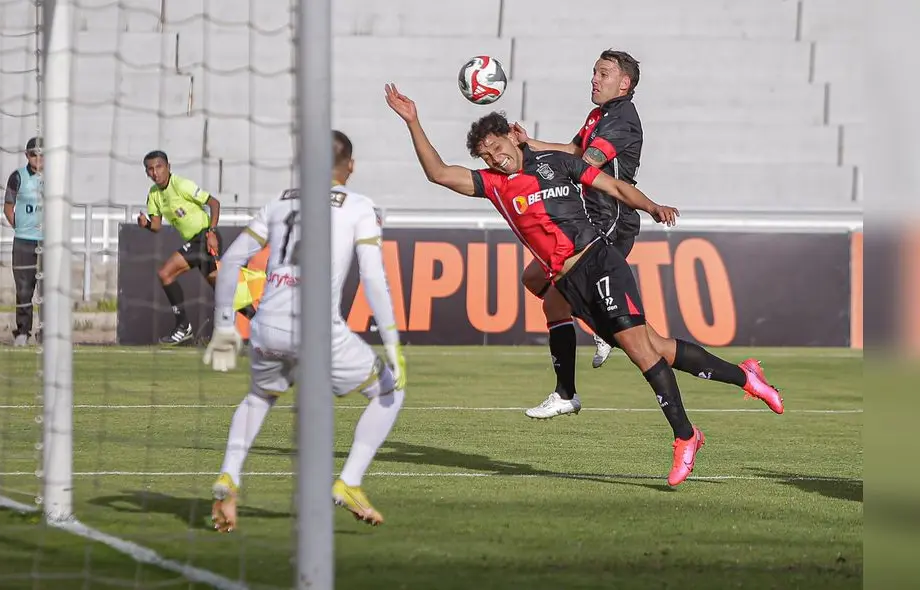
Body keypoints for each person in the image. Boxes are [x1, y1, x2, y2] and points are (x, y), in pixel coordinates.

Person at [385, 84, 784, 486]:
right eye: (485, 155)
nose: (494, 157)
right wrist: (413, 121)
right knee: (657, 347)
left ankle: (685, 436)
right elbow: (438, 173)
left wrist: (652, 206)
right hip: (570, 282)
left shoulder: (556, 163)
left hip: (599, 260)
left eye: (496, 147)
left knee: (641, 352)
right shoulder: (492, 185)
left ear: (511, 136)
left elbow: (614, 186)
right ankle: (746, 377)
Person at [202, 131, 407, 529]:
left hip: (266, 326)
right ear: (350, 165)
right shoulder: (359, 207)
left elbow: (230, 261)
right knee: (389, 390)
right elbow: (373, 279)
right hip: (317, 330)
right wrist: (393, 343)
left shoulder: (280, 201)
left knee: (260, 396)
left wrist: (225, 326)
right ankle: (349, 482)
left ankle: (229, 475)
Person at [512, 49, 645, 419]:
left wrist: (533, 164)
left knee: (556, 301)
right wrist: (530, 144)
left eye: (603, 73)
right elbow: (573, 149)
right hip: (589, 217)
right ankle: (600, 327)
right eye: (594, 72)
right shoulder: (599, 115)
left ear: (624, 83)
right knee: (533, 278)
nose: (594, 79)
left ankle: (566, 391)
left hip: (611, 220)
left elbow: (587, 162)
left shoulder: (622, 119)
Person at [137, 151, 254, 344]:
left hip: (204, 237)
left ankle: (183, 326)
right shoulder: (154, 195)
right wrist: (146, 224)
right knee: (223, 290)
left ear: (168, 167)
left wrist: (212, 232)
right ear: (147, 172)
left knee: (165, 273)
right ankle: (260, 322)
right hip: (195, 242)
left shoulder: (182, 185)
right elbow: (156, 226)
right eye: (150, 169)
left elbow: (214, 203)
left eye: (159, 167)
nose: (155, 172)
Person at [3, 137, 44, 346]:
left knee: (48, 290)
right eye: (33, 154)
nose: (38, 158)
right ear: (27, 155)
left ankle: (46, 333)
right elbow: (8, 207)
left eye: (42, 154)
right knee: (24, 289)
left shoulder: (55, 178)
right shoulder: (17, 177)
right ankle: (22, 332)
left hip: (47, 243)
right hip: (24, 242)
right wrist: (20, 227)